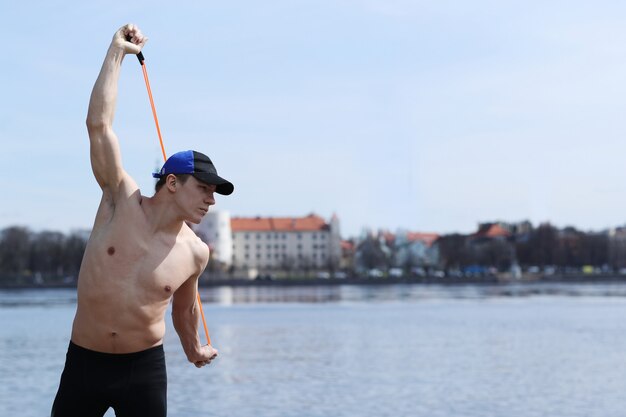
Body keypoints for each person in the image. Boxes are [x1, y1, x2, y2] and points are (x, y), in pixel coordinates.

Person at [51, 24, 233, 417]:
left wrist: (194, 349)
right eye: (204, 189)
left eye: (214, 194)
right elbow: (99, 126)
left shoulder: (196, 252)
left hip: (143, 371)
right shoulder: (119, 199)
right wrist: (117, 53)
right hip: (84, 363)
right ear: (172, 182)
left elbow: (183, 310)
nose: (210, 201)